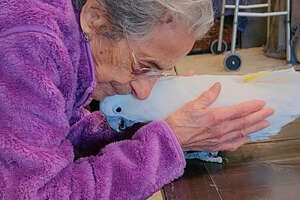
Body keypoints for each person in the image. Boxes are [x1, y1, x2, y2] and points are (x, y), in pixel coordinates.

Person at [0, 0, 274, 199]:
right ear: (96, 19)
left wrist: (155, 126)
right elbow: (36, 193)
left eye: (160, 71)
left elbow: (58, 131)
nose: (144, 91)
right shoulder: (29, 45)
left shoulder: (64, 31)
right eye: (143, 65)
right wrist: (168, 144)